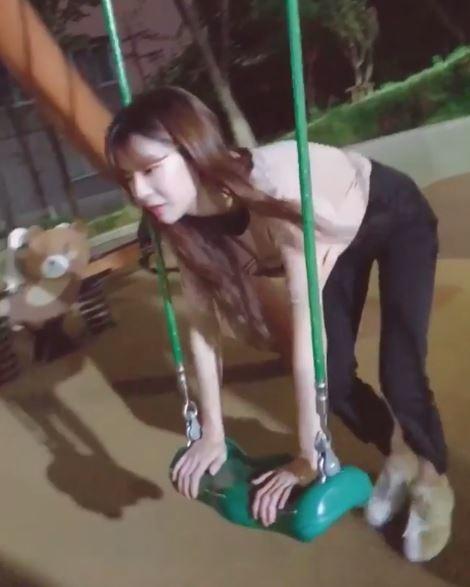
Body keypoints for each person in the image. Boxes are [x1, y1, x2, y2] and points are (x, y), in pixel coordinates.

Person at [105, 86, 454, 562]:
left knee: (400, 368)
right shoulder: (183, 224)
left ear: (193, 148)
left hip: (390, 214)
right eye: (128, 179)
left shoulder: (276, 188)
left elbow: (307, 330)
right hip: (335, 241)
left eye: (150, 170)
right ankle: (400, 455)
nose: (139, 193)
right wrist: (211, 431)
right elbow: (202, 330)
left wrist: (308, 455)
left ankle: (433, 481)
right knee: (335, 376)